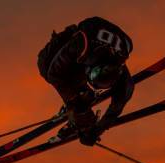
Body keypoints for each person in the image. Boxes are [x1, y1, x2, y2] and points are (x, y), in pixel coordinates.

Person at [37, 16, 134, 146]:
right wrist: (74, 101)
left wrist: (97, 130)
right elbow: (55, 74)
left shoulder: (120, 67)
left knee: (77, 86)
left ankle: (82, 104)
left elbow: (118, 104)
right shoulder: (80, 46)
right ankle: (80, 101)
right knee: (46, 67)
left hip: (98, 50)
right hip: (72, 42)